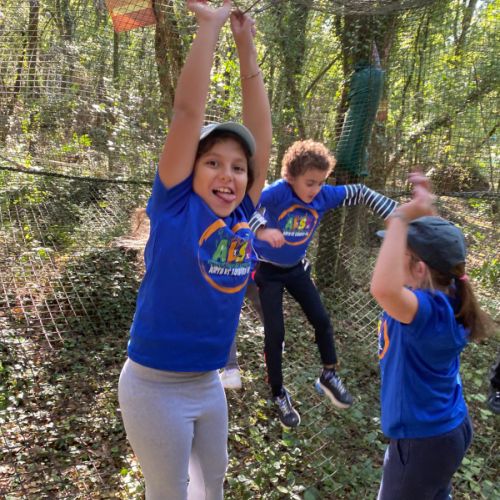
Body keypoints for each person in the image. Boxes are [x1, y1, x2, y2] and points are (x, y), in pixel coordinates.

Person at [118, 1, 272, 498]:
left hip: (207, 382)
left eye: (237, 167)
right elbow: (188, 113)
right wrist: (210, 28)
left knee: (213, 488)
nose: (228, 175)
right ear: (190, 169)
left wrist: (246, 45)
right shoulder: (175, 206)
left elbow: (263, 139)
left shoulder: (242, 215)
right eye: (213, 163)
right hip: (154, 385)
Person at [250, 139, 398, 427]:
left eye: (320, 182)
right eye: (309, 183)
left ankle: (329, 374)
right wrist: (263, 230)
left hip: (295, 269)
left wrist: (396, 215)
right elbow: (245, 207)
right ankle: (278, 393)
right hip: (267, 270)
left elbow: (360, 192)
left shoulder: (324, 196)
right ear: (290, 177)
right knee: (275, 333)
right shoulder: (278, 193)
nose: (315, 190)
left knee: (321, 319)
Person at [370, 179, 492, 499]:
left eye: (399, 253)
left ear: (420, 269)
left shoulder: (426, 312)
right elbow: (441, 245)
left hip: (421, 442)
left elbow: (382, 288)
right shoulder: (451, 294)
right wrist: (424, 209)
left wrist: (401, 216)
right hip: (445, 431)